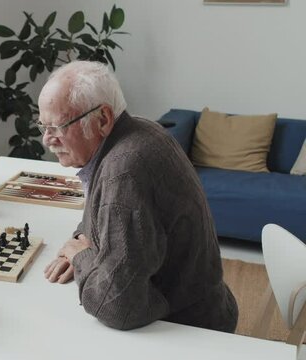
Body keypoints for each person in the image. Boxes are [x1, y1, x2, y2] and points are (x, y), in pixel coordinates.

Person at [40, 61, 238, 332]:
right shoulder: (140, 130)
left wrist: (82, 258)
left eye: (58, 127)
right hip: (203, 307)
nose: (47, 140)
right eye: (43, 126)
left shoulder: (124, 170)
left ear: (103, 119)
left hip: (187, 332)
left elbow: (118, 307)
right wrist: (78, 244)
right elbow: (96, 219)